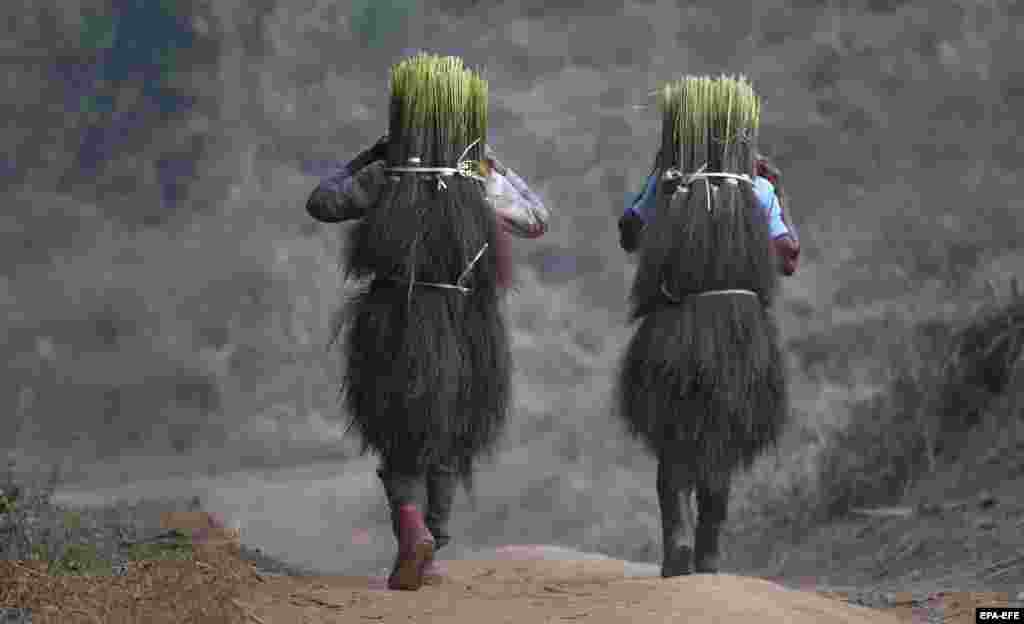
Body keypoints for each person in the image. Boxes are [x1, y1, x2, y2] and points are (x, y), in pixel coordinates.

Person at [305, 122, 548, 591]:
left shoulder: (385, 174)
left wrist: (371, 156)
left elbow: (322, 201)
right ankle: (433, 540)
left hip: (392, 321)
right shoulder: (478, 178)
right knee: (453, 429)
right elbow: (536, 218)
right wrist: (492, 163)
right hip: (467, 325)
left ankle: (413, 530)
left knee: (400, 430)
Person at [618, 153, 800, 276]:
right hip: (740, 316)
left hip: (675, 314)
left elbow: (629, 236)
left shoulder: (671, 178)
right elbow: (788, 261)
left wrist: (657, 172)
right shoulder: (759, 188)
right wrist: (778, 191)